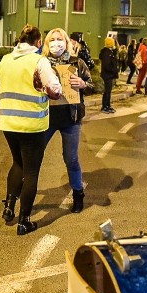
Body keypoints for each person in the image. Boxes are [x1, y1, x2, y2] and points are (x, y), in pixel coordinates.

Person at [0, 24, 62, 235]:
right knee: (31, 171)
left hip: (8, 122)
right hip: (32, 124)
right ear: (38, 42)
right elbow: (55, 89)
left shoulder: (5, 60)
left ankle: (8, 208)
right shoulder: (39, 61)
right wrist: (48, 89)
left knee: (17, 163)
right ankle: (24, 221)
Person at [43, 28, 95, 214]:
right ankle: (25, 195)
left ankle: (78, 194)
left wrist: (83, 84)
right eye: (52, 40)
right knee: (34, 157)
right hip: (46, 118)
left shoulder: (77, 63)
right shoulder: (41, 63)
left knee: (71, 158)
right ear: (47, 43)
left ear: (66, 42)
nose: (56, 43)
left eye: (60, 39)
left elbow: (91, 85)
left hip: (71, 118)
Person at [99, 37, 118, 114]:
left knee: (108, 91)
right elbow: (107, 65)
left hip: (108, 74)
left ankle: (108, 105)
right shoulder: (107, 52)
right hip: (107, 75)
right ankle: (104, 107)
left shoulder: (109, 51)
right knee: (107, 91)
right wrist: (113, 70)